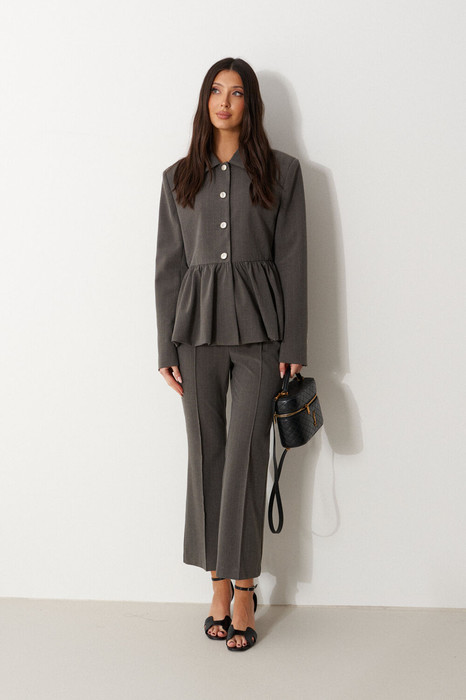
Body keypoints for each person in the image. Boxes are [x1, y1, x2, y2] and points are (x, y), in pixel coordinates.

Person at [154, 57, 308, 651]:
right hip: (194, 338)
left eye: (236, 92)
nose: (224, 101)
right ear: (205, 101)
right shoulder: (178, 178)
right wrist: (164, 345)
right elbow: (169, 267)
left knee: (245, 454)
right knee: (206, 455)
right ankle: (217, 584)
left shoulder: (281, 172)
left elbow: (293, 259)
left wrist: (294, 344)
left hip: (261, 336)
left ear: (250, 103)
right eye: (216, 91)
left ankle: (245, 588)